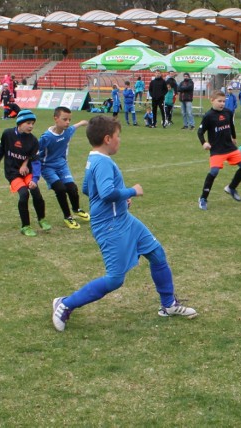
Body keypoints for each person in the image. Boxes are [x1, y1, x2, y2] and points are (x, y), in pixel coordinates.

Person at [51, 116, 197, 331]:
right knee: (115, 280)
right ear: (108, 138)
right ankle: (65, 304)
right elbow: (107, 192)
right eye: (118, 136)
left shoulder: (94, 158)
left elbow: (86, 188)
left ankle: (169, 305)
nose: (120, 141)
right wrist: (132, 191)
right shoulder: (102, 162)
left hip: (124, 220)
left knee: (157, 254)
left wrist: (120, 199)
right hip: (110, 226)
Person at [0, 110, 52, 236]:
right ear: (20, 123)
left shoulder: (33, 141)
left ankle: (42, 219)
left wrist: (35, 179)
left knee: (36, 193)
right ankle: (25, 226)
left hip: (28, 173)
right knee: (24, 194)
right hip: (12, 173)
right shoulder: (7, 134)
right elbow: (1, 149)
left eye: (33, 123)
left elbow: (36, 161)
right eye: (28, 123)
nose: (31, 126)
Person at [196, 90, 241, 211]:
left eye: (223, 101)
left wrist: (234, 137)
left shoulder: (228, 112)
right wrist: (204, 142)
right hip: (217, 150)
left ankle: (231, 188)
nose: (222, 104)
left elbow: (231, 125)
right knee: (214, 172)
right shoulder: (208, 116)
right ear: (212, 100)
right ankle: (203, 198)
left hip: (230, 147)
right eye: (219, 101)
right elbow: (200, 131)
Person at [38, 106, 90, 229]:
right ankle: (68, 217)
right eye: (64, 119)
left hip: (62, 166)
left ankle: (77, 209)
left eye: (69, 120)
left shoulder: (67, 131)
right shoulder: (46, 137)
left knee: (72, 188)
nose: (67, 122)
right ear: (56, 119)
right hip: (47, 167)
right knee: (60, 189)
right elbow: (34, 151)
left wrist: (83, 123)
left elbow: (75, 126)